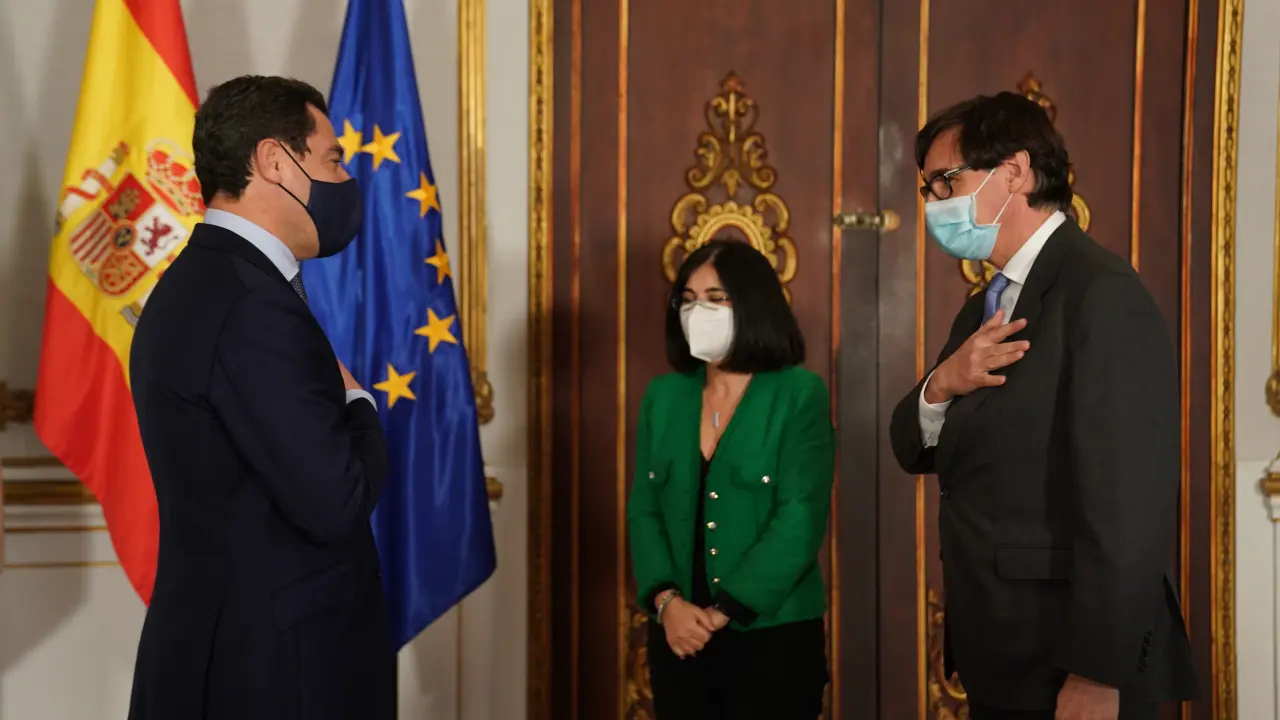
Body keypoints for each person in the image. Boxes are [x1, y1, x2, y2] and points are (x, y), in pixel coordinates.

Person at [889, 92, 1198, 720]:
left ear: (1014, 172)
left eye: (947, 181)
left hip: (1068, 658)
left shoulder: (1100, 293)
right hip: (1002, 648)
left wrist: (1099, 672)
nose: (934, 203)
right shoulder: (986, 305)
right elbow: (911, 447)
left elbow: (1128, 507)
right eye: (927, 188)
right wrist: (941, 384)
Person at [127, 76, 393, 720]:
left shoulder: (205, 281)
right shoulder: (251, 305)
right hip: (271, 676)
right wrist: (359, 403)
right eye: (332, 158)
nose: (345, 179)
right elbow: (336, 502)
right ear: (275, 160)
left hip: (234, 656)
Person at [627, 239, 834, 720]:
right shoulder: (663, 396)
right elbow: (644, 509)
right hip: (678, 635)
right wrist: (667, 603)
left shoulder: (799, 394)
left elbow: (800, 517)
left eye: (716, 298)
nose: (698, 311)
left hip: (773, 639)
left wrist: (723, 612)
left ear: (752, 304)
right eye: (688, 299)